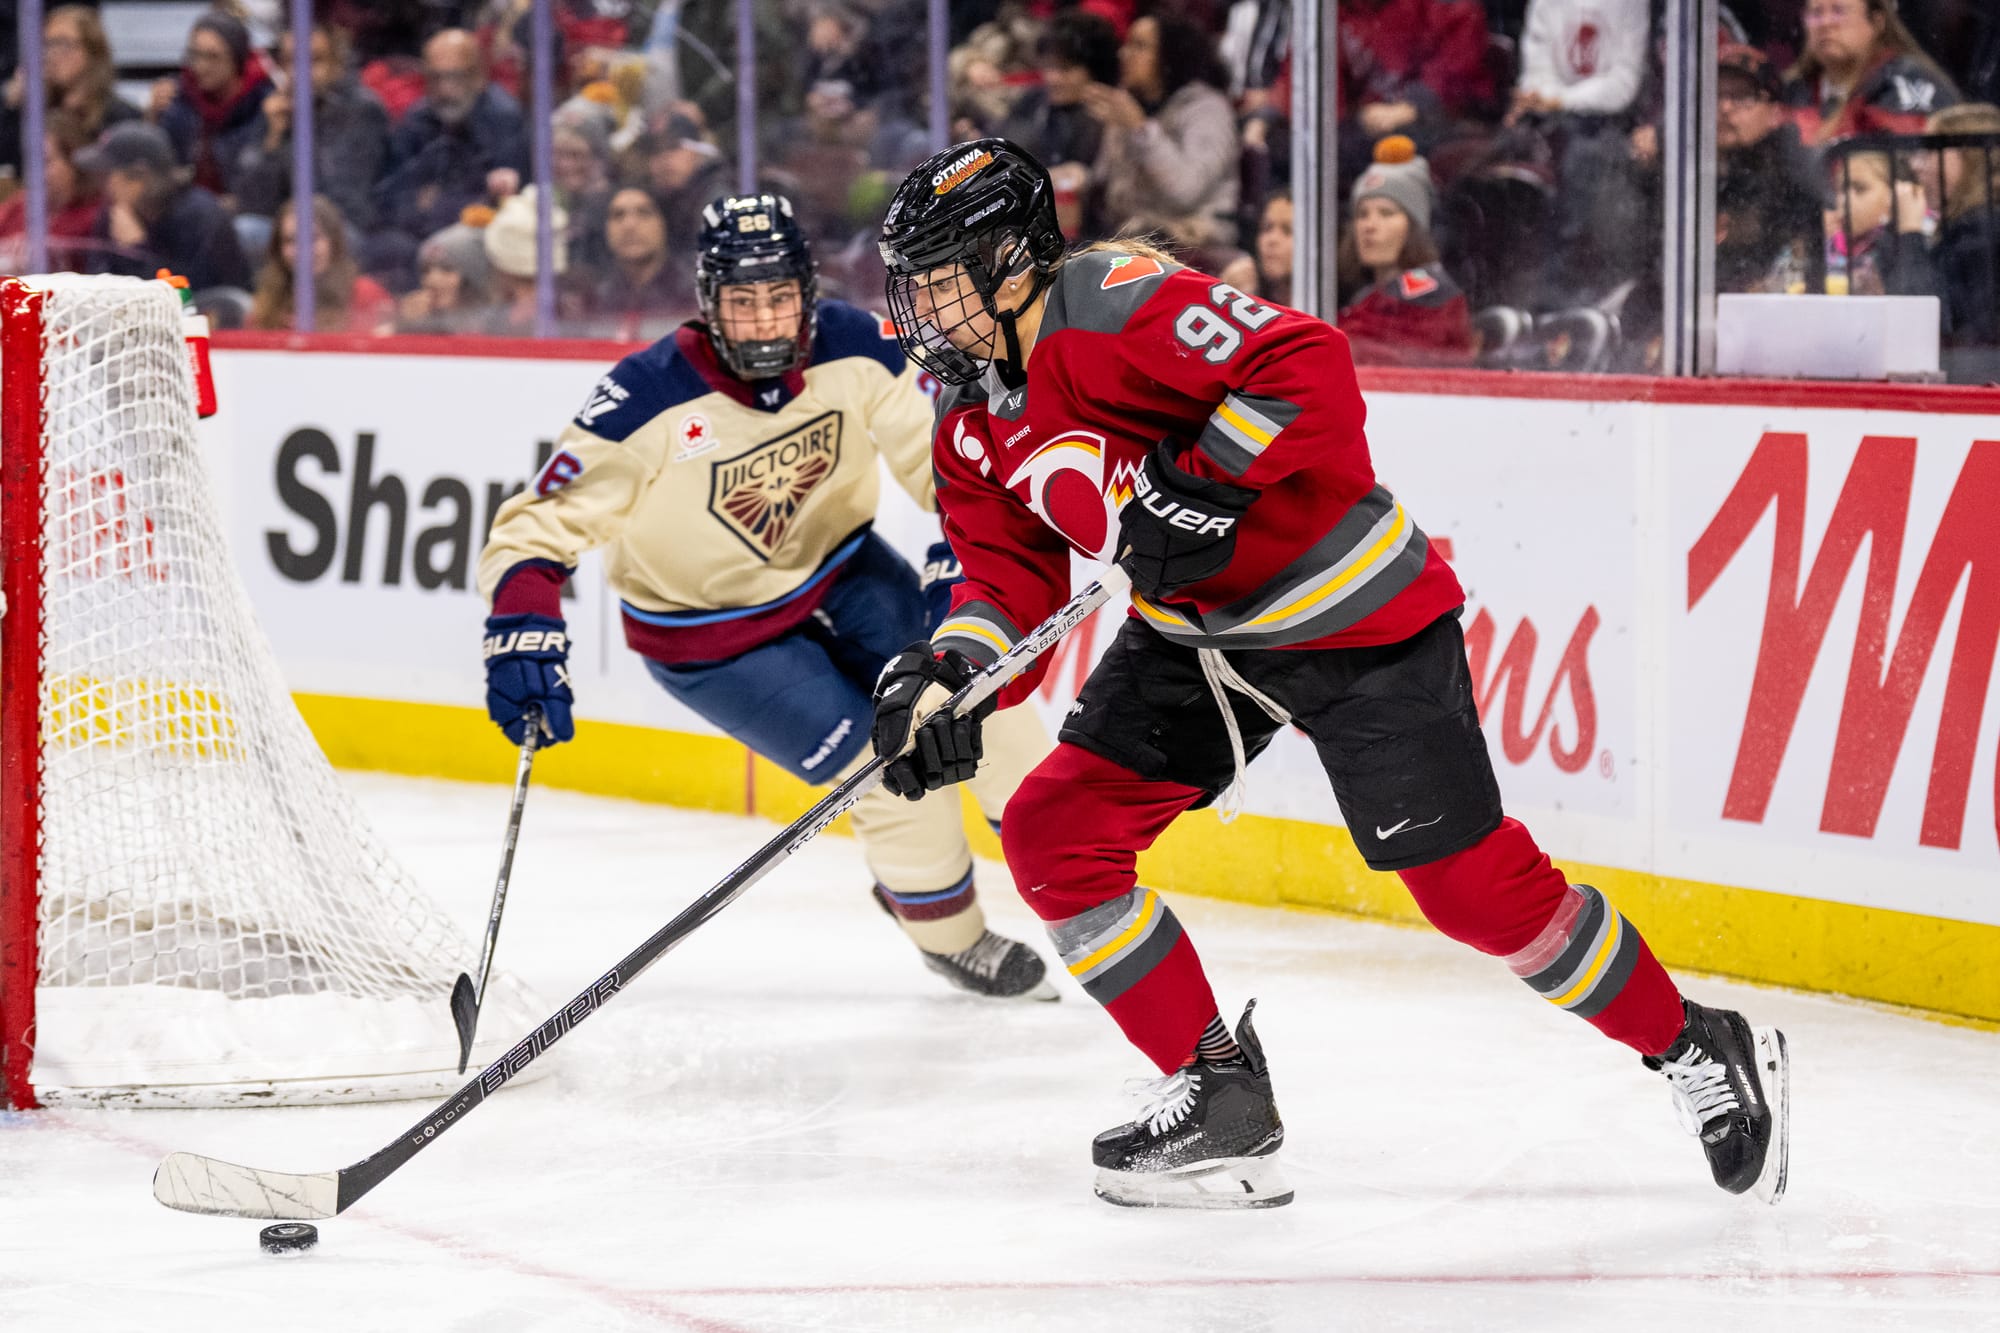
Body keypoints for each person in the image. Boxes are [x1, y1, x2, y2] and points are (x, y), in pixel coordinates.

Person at [872, 138, 1791, 1209]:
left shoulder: (1114, 303)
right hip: (1199, 641)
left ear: (1012, 264)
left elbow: (1306, 364)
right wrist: (951, 680)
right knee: (1053, 832)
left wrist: (1204, 484)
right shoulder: (967, 420)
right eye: (911, 284)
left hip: (1346, 610)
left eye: (937, 279)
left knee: (1472, 891)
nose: (918, 309)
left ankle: (1694, 1041)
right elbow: (1008, 585)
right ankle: (1219, 1091)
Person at [475, 193, 1056, 999]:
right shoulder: (645, 396)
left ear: (808, 293)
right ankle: (950, 936)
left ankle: (1071, 875)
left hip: (846, 572)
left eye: (780, 297)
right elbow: (536, 524)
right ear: (707, 302)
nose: (763, 322)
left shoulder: (857, 346)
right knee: (890, 773)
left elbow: (946, 460)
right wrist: (521, 620)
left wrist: (959, 544)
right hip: (713, 638)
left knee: (986, 697)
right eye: (741, 302)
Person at [1086, 15, 1240, 252]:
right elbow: (1110, 195)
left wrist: (1140, 129)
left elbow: (1185, 192)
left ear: (1170, 55)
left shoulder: (1208, 110)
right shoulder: (1129, 105)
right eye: (1126, 44)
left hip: (1197, 244)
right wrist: (1081, 181)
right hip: (1133, 239)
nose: (1123, 54)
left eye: (1139, 46)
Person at [376, 30, 532, 253]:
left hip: (481, 233)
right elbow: (392, 192)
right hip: (418, 233)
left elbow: (503, 195)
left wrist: (436, 201)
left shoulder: (503, 119)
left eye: (455, 77)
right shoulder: (417, 119)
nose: (444, 89)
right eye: (435, 77)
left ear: (478, 76)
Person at [233, 24, 391, 239]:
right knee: (245, 230)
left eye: (313, 60)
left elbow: (348, 199)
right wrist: (272, 139)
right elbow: (250, 203)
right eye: (290, 61)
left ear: (336, 66)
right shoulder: (277, 110)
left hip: (341, 229)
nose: (298, 72)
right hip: (287, 228)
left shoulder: (361, 110)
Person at [1335, 138, 1474, 366]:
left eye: (1386, 213)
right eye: (1362, 214)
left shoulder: (1435, 298)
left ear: (1414, 226)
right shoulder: (1365, 298)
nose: (1369, 226)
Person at [79, 121, 251, 293]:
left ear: (140, 177)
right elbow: (97, 280)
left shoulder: (201, 217)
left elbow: (191, 293)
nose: (101, 185)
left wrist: (137, 250)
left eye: (106, 176)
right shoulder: (115, 213)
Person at [1712, 45, 1825, 293]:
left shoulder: (1794, 179)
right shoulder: (1680, 168)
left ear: (1775, 112)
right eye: (1715, 94)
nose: (1725, 108)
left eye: (1742, 97)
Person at [1784, 0, 1958, 144]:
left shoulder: (1909, 84)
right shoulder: (1789, 93)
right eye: (1816, 13)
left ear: (1877, 22)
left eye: (1839, 10)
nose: (1825, 23)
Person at [0, 5, 143, 180]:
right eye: (46, 45)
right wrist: (15, 107)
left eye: (62, 44)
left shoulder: (121, 116)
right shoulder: (37, 113)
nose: (50, 55)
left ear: (92, 51)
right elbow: (11, 165)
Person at [151, 11, 276, 201]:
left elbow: (266, 179)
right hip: (187, 207)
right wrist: (152, 118)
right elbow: (160, 171)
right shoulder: (178, 99)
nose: (201, 66)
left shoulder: (264, 104)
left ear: (237, 59)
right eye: (195, 55)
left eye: (213, 57)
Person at [248, 195, 396, 333]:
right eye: (291, 240)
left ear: (333, 242)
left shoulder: (365, 294)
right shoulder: (266, 306)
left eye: (313, 238)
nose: (303, 250)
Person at [1921, 103, 2000, 360]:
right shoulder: (1968, 224)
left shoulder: (1980, 231)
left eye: (1931, 151)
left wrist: (1908, 237)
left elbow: (1940, 322)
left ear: (1971, 157)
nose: (1918, 165)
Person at [578, 186, 697, 340]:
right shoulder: (595, 298)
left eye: (643, 213)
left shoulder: (693, 293)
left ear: (664, 223)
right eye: (618, 215)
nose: (629, 225)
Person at [0, 110, 103, 272]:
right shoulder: (19, 205)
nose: (34, 171)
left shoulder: (98, 216)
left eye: (45, 161)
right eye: (31, 161)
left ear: (73, 162)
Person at [396, 221, 497, 335]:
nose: (431, 280)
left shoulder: (497, 324)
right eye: (426, 271)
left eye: (447, 269)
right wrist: (406, 325)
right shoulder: (422, 320)